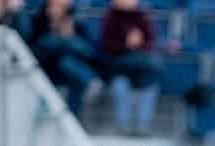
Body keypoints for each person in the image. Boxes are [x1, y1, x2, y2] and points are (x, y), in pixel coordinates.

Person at [28, 0, 101, 115]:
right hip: (45, 68)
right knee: (55, 45)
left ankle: (72, 116)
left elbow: (88, 53)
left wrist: (69, 37)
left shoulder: (76, 21)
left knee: (67, 61)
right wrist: (61, 37)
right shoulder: (39, 20)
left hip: (67, 70)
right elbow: (35, 50)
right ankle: (90, 80)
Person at [100, 0, 161, 136]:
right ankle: (123, 127)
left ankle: (143, 127)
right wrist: (126, 44)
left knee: (151, 84)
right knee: (120, 85)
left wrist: (139, 43)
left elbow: (151, 43)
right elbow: (106, 45)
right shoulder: (110, 17)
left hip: (141, 67)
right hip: (119, 66)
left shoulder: (143, 16)